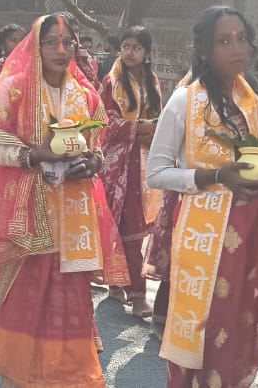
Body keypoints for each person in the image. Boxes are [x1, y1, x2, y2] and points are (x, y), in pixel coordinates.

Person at [0, 13, 129, 387]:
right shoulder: (13, 89)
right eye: (51, 42)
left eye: (68, 42)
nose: (61, 49)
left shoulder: (86, 96)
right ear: (36, 46)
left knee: (70, 291)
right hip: (26, 210)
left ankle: (68, 370)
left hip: (74, 214)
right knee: (27, 291)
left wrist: (94, 162)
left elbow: (97, 146)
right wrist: (33, 155)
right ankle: (22, 369)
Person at [145, 6, 258, 387]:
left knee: (235, 331)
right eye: (224, 41)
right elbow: (156, 173)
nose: (237, 48)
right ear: (203, 50)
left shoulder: (251, 102)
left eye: (241, 38)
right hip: (202, 239)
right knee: (202, 335)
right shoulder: (184, 102)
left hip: (245, 238)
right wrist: (216, 176)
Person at [99, 26, 163, 319]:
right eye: (125, 46)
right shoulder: (111, 81)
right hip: (118, 164)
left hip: (145, 160)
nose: (129, 52)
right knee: (121, 226)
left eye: (136, 47)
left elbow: (159, 117)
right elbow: (106, 120)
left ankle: (127, 289)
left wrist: (151, 130)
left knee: (134, 229)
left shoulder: (152, 81)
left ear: (146, 52)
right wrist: (139, 128)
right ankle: (128, 291)